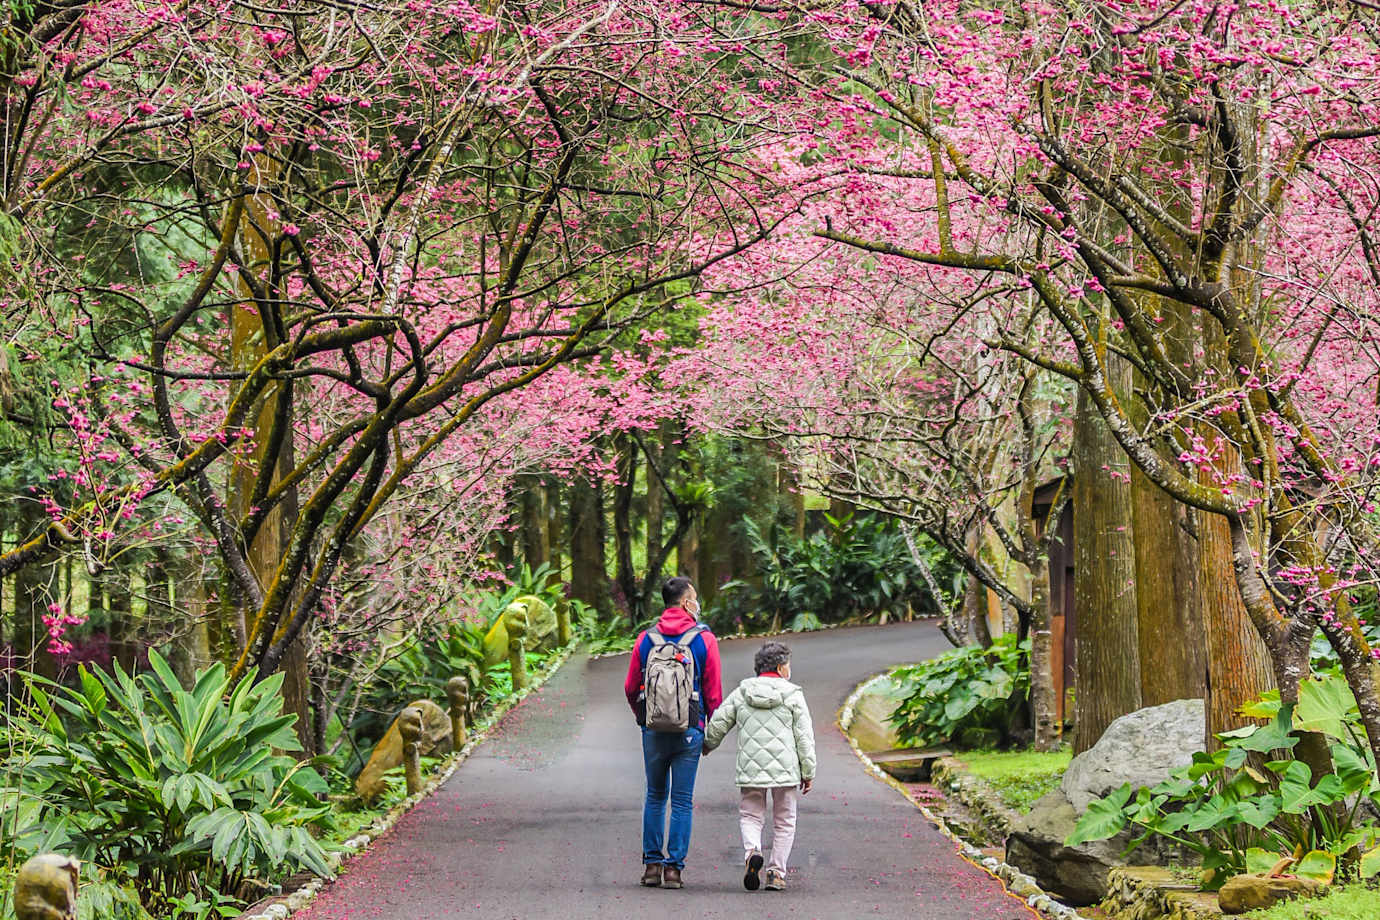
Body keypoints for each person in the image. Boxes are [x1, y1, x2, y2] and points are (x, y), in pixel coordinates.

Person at [624, 576, 722, 890]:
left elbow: (630, 687)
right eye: (694, 598)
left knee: (654, 796)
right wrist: (706, 730)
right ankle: (674, 871)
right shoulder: (704, 639)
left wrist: (646, 718)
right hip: (689, 729)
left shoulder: (646, 639)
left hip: (652, 730)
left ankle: (651, 866)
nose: (697, 604)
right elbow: (714, 692)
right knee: (681, 802)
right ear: (684, 602)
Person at [702, 641, 816, 892]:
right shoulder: (793, 694)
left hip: (751, 768)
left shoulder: (743, 692)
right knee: (785, 819)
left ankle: (752, 850)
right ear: (779, 667)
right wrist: (808, 772)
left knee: (751, 815)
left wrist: (708, 744)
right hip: (785, 770)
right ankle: (776, 872)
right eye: (787, 665)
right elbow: (804, 736)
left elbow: (720, 720)